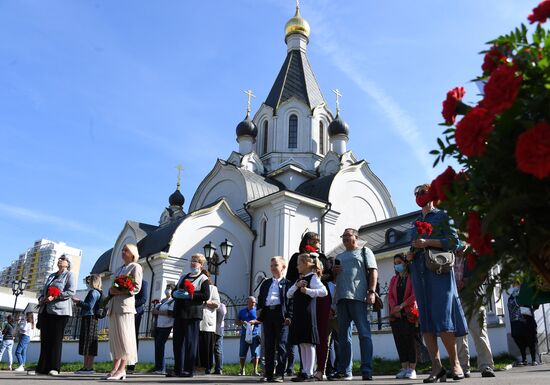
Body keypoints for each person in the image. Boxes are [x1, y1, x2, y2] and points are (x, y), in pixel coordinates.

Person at [406, 184, 467, 383]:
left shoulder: (442, 216)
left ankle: (455, 364)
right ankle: (437, 367)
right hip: (419, 272)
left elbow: (455, 242)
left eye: (422, 193)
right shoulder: (415, 222)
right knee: (426, 321)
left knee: (443, 317)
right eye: (416, 194)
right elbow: (413, 244)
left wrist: (428, 243)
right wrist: (411, 252)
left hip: (439, 271)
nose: (419, 196)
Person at [330, 228, 378, 381]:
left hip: (359, 298)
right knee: (343, 336)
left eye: (347, 235)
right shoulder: (339, 256)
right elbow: (336, 281)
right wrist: (334, 274)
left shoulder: (365, 251)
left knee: (364, 333)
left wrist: (371, 291)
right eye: (343, 236)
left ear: (356, 237)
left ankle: (366, 369)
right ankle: (345, 370)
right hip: (342, 299)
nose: (344, 238)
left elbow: (373, 272)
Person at [31, 253, 76, 376]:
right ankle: (41, 368)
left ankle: (54, 367)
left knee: (55, 340)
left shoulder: (69, 275)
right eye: (60, 258)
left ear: (68, 263)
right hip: (45, 310)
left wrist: (55, 297)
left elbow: (71, 292)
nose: (60, 260)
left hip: (60, 312)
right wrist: (42, 298)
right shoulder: (51, 276)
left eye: (63, 259)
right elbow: (43, 291)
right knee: (45, 339)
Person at [104, 243, 143, 381]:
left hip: (125, 307)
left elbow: (136, 288)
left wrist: (119, 291)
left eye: (126, 250)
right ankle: (115, 368)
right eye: (122, 249)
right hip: (114, 306)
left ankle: (122, 369)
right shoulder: (119, 269)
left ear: (132, 253)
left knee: (125, 339)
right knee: (115, 340)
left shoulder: (135, 267)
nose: (123, 252)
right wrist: (111, 290)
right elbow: (113, 285)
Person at [454, 247, 496, 378]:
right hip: (456, 299)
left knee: (480, 333)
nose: (460, 247)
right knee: (459, 336)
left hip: (475, 299)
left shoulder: (475, 256)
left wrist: (465, 282)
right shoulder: (450, 257)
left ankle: (486, 366)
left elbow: (482, 274)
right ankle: (462, 367)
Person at [169, 253, 211, 378]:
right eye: (192, 260)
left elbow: (205, 296)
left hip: (193, 314)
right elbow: (174, 293)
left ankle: (188, 369)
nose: (193, 263)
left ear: (201, 264)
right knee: (178, 342)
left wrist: (191, 295)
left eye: (196, 261)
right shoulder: (183, 277)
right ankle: (178, 369)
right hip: (180, 313)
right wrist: (175, 293)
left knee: (190, 342)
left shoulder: (203, 279)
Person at [288, 253, 328, 382]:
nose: (297, 266)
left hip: (308, 315)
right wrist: (297, 285)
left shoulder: (313, 278)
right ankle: (304, 371)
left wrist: (308, 291)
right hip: (299, 315)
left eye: (299, 264)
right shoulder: (299, 280)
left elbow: (324, 291)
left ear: (305, 264)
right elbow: (289, 294)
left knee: (309, 343)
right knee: (302, 343)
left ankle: (310, 372)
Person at [257, 256, 293, 383]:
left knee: (282, 345)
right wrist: (259, 308)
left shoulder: (288, 284)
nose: (272, 268)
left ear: (283, 267)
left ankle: (279, 373)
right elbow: (261, 298)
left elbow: (291, 302)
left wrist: (289, 316)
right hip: (268, 314)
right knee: (268, 345)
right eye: (271, 265)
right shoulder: (266, 283)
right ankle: (268, 373)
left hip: (281, 315)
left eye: (275, 265)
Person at [388, 253, 419, 380]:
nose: (397, 266)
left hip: (409, 314)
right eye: (395, 263)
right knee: (399, 341)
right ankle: (404, 367)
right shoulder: (394, 280)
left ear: (405, 263)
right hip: (396, 316)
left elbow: (414, 295)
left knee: (411, 341)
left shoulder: (412, 277)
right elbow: (389, 295)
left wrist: (401, 306)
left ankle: (412, 369)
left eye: (399, 262)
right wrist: (394, 308)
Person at [73, 274, 102, 374]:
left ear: (93, 281)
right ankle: (86, 367)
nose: (87, 282)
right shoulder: (96, 292)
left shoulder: (94, 292)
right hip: (90, 318)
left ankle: (89, 367)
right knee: (87, 343)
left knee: (88, 343)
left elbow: (89, 306)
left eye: (89, 280)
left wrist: (78, 302)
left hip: (90, 318)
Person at [507, 282, 538, 366]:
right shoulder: (511, 297)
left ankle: (533, 359)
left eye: (517, 285)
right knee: (520, 341)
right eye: (514, 285)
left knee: (531, 340)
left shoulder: (527, 294)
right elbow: (510, 306)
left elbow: (535, 304)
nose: (516, 287)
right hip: (516, 323)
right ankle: (524, 359)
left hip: (527, 321)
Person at [198, 272, 220, 374]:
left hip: (207, 322)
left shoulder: (212, 289)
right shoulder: (196, 287)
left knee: (207, 346)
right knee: (197, 346)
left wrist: (206, 302)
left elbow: (217, 304)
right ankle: (197, 366)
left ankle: (207, 367)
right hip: (197, 320)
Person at [151, 283, 175, 374]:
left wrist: (157, 312)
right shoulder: (162, 301)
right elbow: (156, 312)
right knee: (157, 346)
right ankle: (158, 367)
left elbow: (171, 313)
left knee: (160, 345)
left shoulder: (173, 301)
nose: (167, 290)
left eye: (169, 288)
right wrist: (154, 311)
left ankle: (161, 368)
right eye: (166, 288)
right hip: (158, 325)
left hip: (166, 325)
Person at [126, 278, 148, 374]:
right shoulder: (126, 282)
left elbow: (143, 299)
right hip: (125, 311)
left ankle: (131, 365)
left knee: (132, 338)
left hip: (136, 313)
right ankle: (121, 364)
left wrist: (129, 304)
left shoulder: (143, 283)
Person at [236, 296, 261, 376]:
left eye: (254, 302)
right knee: (242, 352)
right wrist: (242, 323)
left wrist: (254, 321)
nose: (254, 304)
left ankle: (255, 370)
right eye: (252, 302)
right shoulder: (242, 311)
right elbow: (237, 321)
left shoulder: (257, 311)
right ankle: (242, 370)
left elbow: (261, 320)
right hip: (244, 335)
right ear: (248, 302)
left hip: (255, 335)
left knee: (255, 353)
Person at [213, 301, 227, 375]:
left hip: (218, 328)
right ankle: (218, 368)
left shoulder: (220, 306)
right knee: (218, 349)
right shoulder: (222, 306)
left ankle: (219, 368)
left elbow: (222, 315)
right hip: (219, 327)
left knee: (217, 349)